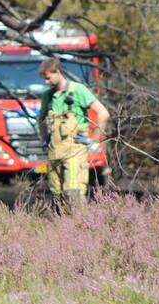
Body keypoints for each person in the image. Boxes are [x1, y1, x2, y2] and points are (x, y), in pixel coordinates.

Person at [37, 58, 110, 211]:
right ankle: (62, 230)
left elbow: (103, 114)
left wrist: (93, 140)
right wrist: (45, 140)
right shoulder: (48, 96)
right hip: (55, 150)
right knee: (56, 194)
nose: (46, 82)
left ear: (58, 72)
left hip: (74, 149)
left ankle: (79, 227)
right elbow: (41, 120)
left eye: (48, 77)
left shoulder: (78, 90)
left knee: (73, 192)